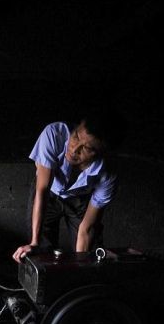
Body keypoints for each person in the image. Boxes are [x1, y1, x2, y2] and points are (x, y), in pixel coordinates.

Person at [12, 110, 126, 263]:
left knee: (88, 254)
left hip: (80, 199)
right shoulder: (54, 134)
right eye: (76, 136)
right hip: (49, 193)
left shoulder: (108, 175)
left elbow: (86, 228)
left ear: (101, 153)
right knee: (41, 251)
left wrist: (81, 266)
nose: (74, 149)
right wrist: (34, 242)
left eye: (86, 148)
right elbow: (42, 190)